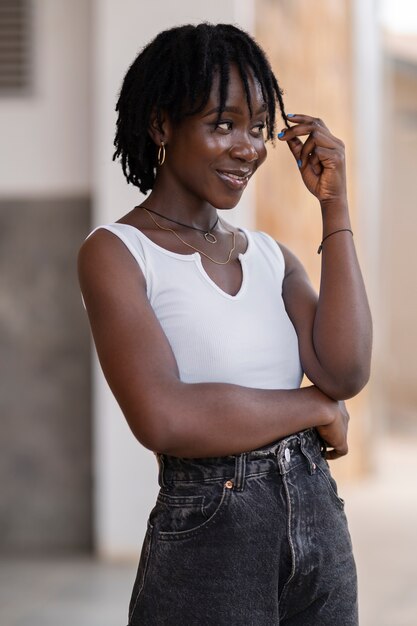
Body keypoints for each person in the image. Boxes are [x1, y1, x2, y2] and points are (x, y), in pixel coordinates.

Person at [78, 23, 372, 626]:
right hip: (213, 532)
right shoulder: (118, 253)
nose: (249, 147)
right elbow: (165, 418)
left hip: (318, 512)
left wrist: (334, 206)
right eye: (222, 124)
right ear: (162, 126)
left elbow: (345, 370)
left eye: (260, 128)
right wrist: (314, 409)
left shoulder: (269, 256)